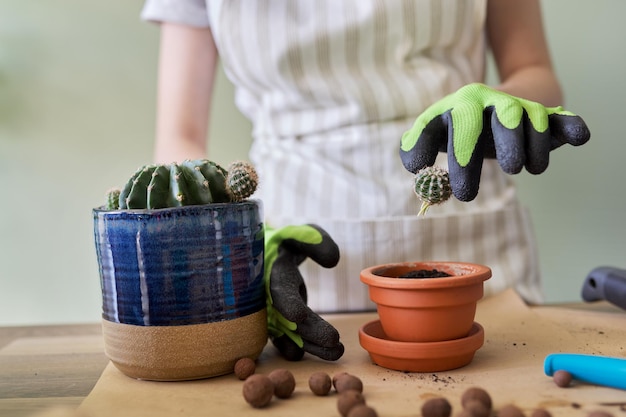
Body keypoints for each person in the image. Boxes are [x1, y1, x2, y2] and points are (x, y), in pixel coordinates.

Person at [140, 0, 581, 313]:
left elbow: (535, 70)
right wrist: (245, 246)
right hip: (292, 257)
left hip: (474, 244)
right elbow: (179, 136)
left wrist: (496, 105)